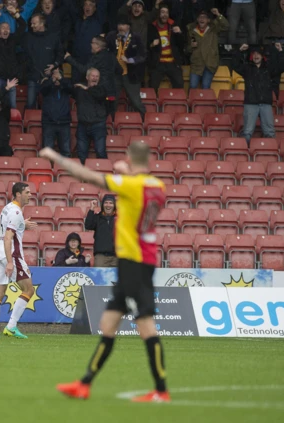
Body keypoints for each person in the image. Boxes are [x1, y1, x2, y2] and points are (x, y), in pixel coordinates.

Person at [40, 142, 169, 403]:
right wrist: (129, 173)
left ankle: (161, 390)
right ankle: (84, 384)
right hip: (137, 260)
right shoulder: (157, 186)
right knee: (107, 325)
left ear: (130, 159)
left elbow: (86, 176)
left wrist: (55, 156)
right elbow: (138, 191)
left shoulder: (130, 185)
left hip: (135, 262)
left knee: (146, 326)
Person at [0, 182, 38, 339]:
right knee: (29, 289)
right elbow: (9, 237)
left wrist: (23, 224)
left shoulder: (7, 208)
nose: (30, 195)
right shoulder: (16, 212)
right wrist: (10, 262)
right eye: (27, 192)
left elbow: (6, 228)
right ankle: (11, 326)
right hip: (12, 255)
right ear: (18, 194)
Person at [232, 44, 280, 145]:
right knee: (247, 132)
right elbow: (234, 65)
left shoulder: (268, 68)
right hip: (251, 103)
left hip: (266, 104)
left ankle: (270, 155)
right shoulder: (247, 68)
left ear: (263, 56)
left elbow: (281, 66)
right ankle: (244, 157)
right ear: (251, 56)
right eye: (254, 54)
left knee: (270, 132)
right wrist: (239, 51)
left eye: (258, 54)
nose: (256, 56)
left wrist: (279, 52)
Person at [0, 8, 26, 108]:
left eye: (7, 28)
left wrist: (15, 13)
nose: (6, 30)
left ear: (10, 30)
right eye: (3, 28)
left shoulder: (12, 39)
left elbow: (23, 25)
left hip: (10, 80)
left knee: (12, 107)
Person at [106, 14, 146, 118]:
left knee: (135, 101)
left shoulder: (136, 37)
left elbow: (143, 55)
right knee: (112, 100)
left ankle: (144, 120)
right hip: (115, 74)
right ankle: (111, 123)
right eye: (119, 24)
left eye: (123, 24)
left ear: (128, 26)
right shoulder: (111, 36)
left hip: (131, 74)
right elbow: (106, 51)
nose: (120, 27)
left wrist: (130, 60)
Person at [23, 13, 63, 109]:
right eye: (31, 23)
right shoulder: (28, 37)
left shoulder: (53, 37)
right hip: (32, 77)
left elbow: (61, 54)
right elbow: (23, 56)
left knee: (49, 106)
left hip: (49, 78)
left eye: (34, 23)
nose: (31, 25)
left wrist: (54, 65)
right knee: (30, 104)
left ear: (42, 24)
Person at [65, 0, 108, 84]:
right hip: (77, 60)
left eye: (91, 5)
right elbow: (69, 5)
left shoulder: (98, 20)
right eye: (86, 5)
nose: (88, 7)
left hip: (91, 60)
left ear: (95, 8)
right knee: (75, 88)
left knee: (91, 89)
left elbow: (103, 4)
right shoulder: (77, 19)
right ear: (83, 7)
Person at [186, 9, 228, 89]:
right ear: (197, 19)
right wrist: (191, 46)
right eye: (200, 17)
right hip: (196, 65)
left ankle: (205, 102)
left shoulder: (214, 29)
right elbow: (187, 50)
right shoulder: (191, 31)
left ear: (208, 20)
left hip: (210, 64)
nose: (202, 19)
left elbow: (226, 26)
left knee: (205, 86)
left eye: (204, 17)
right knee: (193, 86)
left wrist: (218, 14)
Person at [147, 3, 185, 91]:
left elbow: (182, 44)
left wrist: (180, 34)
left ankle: (176, 104)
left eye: (166, 13)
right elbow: (146, 46)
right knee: (152, 85)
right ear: (158, 14)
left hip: (172, 62)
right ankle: (154, 104)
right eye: (162, 12)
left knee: (179, 83)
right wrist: (152, 45)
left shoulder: (173, 25)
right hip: (158, 63)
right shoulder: (152, 27)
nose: (165, 15)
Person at [74, 68, 109, 162]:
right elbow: (68, 87)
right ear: (87, 77)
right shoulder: (80, 89)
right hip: (82, 125)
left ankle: (104, 175)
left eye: (97, 76)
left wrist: (87, 89)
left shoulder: (102, 89)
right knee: (81, 153)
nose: (95, 78)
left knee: (100, 152)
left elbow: (101, 96)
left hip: (98, 125)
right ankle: (82, 176)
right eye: (93, 76)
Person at [40, 68, 72, 158]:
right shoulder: (48, 88)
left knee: (66, 152)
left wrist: (61, 79)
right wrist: (52, 80)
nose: (57, 79)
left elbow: (71, 88)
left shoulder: (65, 88)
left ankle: (65, 172)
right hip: (49, 123)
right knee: (47, 153)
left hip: (64, 123)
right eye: (55, 77)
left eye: (58, 77)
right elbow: (42, 90)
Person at [85, 194, 117, 267]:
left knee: (118, 278)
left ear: (114, 205)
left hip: (117, 256)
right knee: (99, 277)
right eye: (106, 202)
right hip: (101, 256)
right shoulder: (97, 217)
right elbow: (88, 225)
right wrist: (92, 209)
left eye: (111, 203)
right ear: (102, 205)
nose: (108, 205)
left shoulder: (120, 218)